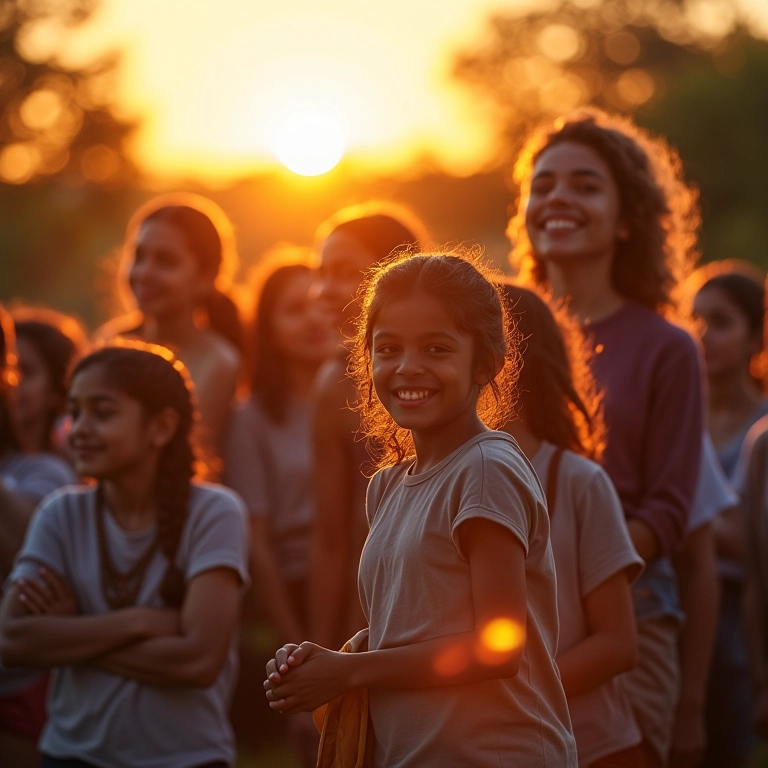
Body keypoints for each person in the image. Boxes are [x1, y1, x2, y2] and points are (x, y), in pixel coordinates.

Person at [265, 251, 577, 767]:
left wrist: (351, 673)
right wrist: (324, 662)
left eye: (436, 348)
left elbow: (499, 646)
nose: (408, 367)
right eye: (388, 349)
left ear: (486, 362)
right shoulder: (388, 485)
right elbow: (410, 627)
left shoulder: (485, 470)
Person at [510, 109, 704, 767]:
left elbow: (671, 511)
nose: (558, 197)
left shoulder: (669, 348)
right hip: (510, 604)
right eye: (544, 185)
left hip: (628, 615)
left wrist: (578, 567)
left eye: (585, 185)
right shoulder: (497, 330)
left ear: (627, 219)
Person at [0, 341, 249, 768]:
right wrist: (138, 622)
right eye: (75, 412)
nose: (79, 429)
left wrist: (70, 632)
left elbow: (198, 661)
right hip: (69, 755)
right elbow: (12, 640)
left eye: (103, 413)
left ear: (161, 427)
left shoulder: (214, 513)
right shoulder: (60, 513)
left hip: (186, 758)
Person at [500, 282, 644, 767]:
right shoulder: (414, 483)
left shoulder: (579, 482)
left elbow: (616, 643)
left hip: (588, 746)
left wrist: (507, 700)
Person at [223, 252, 330, 766]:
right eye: (293, 309)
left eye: (319, 303)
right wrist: (297, 639)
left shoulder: (365, 401)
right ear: (266, 327)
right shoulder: (252, 418)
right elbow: (257, 540)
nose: (313, 318)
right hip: (292, 585)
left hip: (363, 574)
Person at [308, 202, 427, 651]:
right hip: (373, 613)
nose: (322, 291)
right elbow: (331, 539)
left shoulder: (452, 372)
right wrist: (318, 655)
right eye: (320, 273)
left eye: (343, 272)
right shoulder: (332, 385)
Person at [690, 263, 767, 768]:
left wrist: (680, 524)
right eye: (693, 319)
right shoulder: (680, 417)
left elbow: (749, 541)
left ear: (756, 337)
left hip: (743, 616)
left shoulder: (762, 428)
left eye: (720, 321)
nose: (702, 335)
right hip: (683, 603)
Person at [97, 193, 243, 453]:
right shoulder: (111, 341)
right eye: (139, 257)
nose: (144, 273)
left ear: (206, 276)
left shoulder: (219, 362)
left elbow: (185, 455)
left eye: (166, 261)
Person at [0, 306, 78, 768]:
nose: (14, 381)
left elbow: (25, 539)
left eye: (22, 370)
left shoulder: (48, 475)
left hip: (21, 695)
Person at [12, 306, 88, 455]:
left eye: (25, 371)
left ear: (57, 390)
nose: (10, 381)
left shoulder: (60, 472)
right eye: (5, 368)